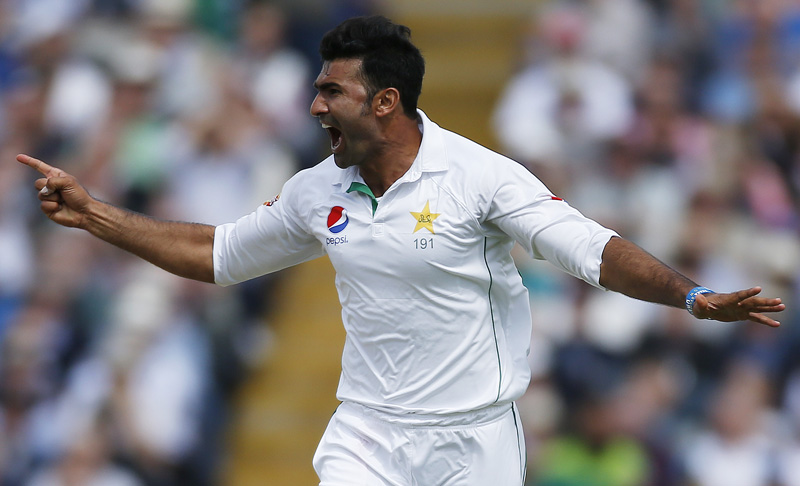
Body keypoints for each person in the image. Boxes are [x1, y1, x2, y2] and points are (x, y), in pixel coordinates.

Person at [17, 15, 785, 486]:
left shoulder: (479, 177)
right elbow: (217, 253)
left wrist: (690, 296)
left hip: (475, 438)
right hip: (369, 433)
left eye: (332, 93)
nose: (314, 105)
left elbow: (592, 249)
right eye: (316, 89)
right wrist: (95, 216)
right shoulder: (318, 190)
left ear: (385, 103)